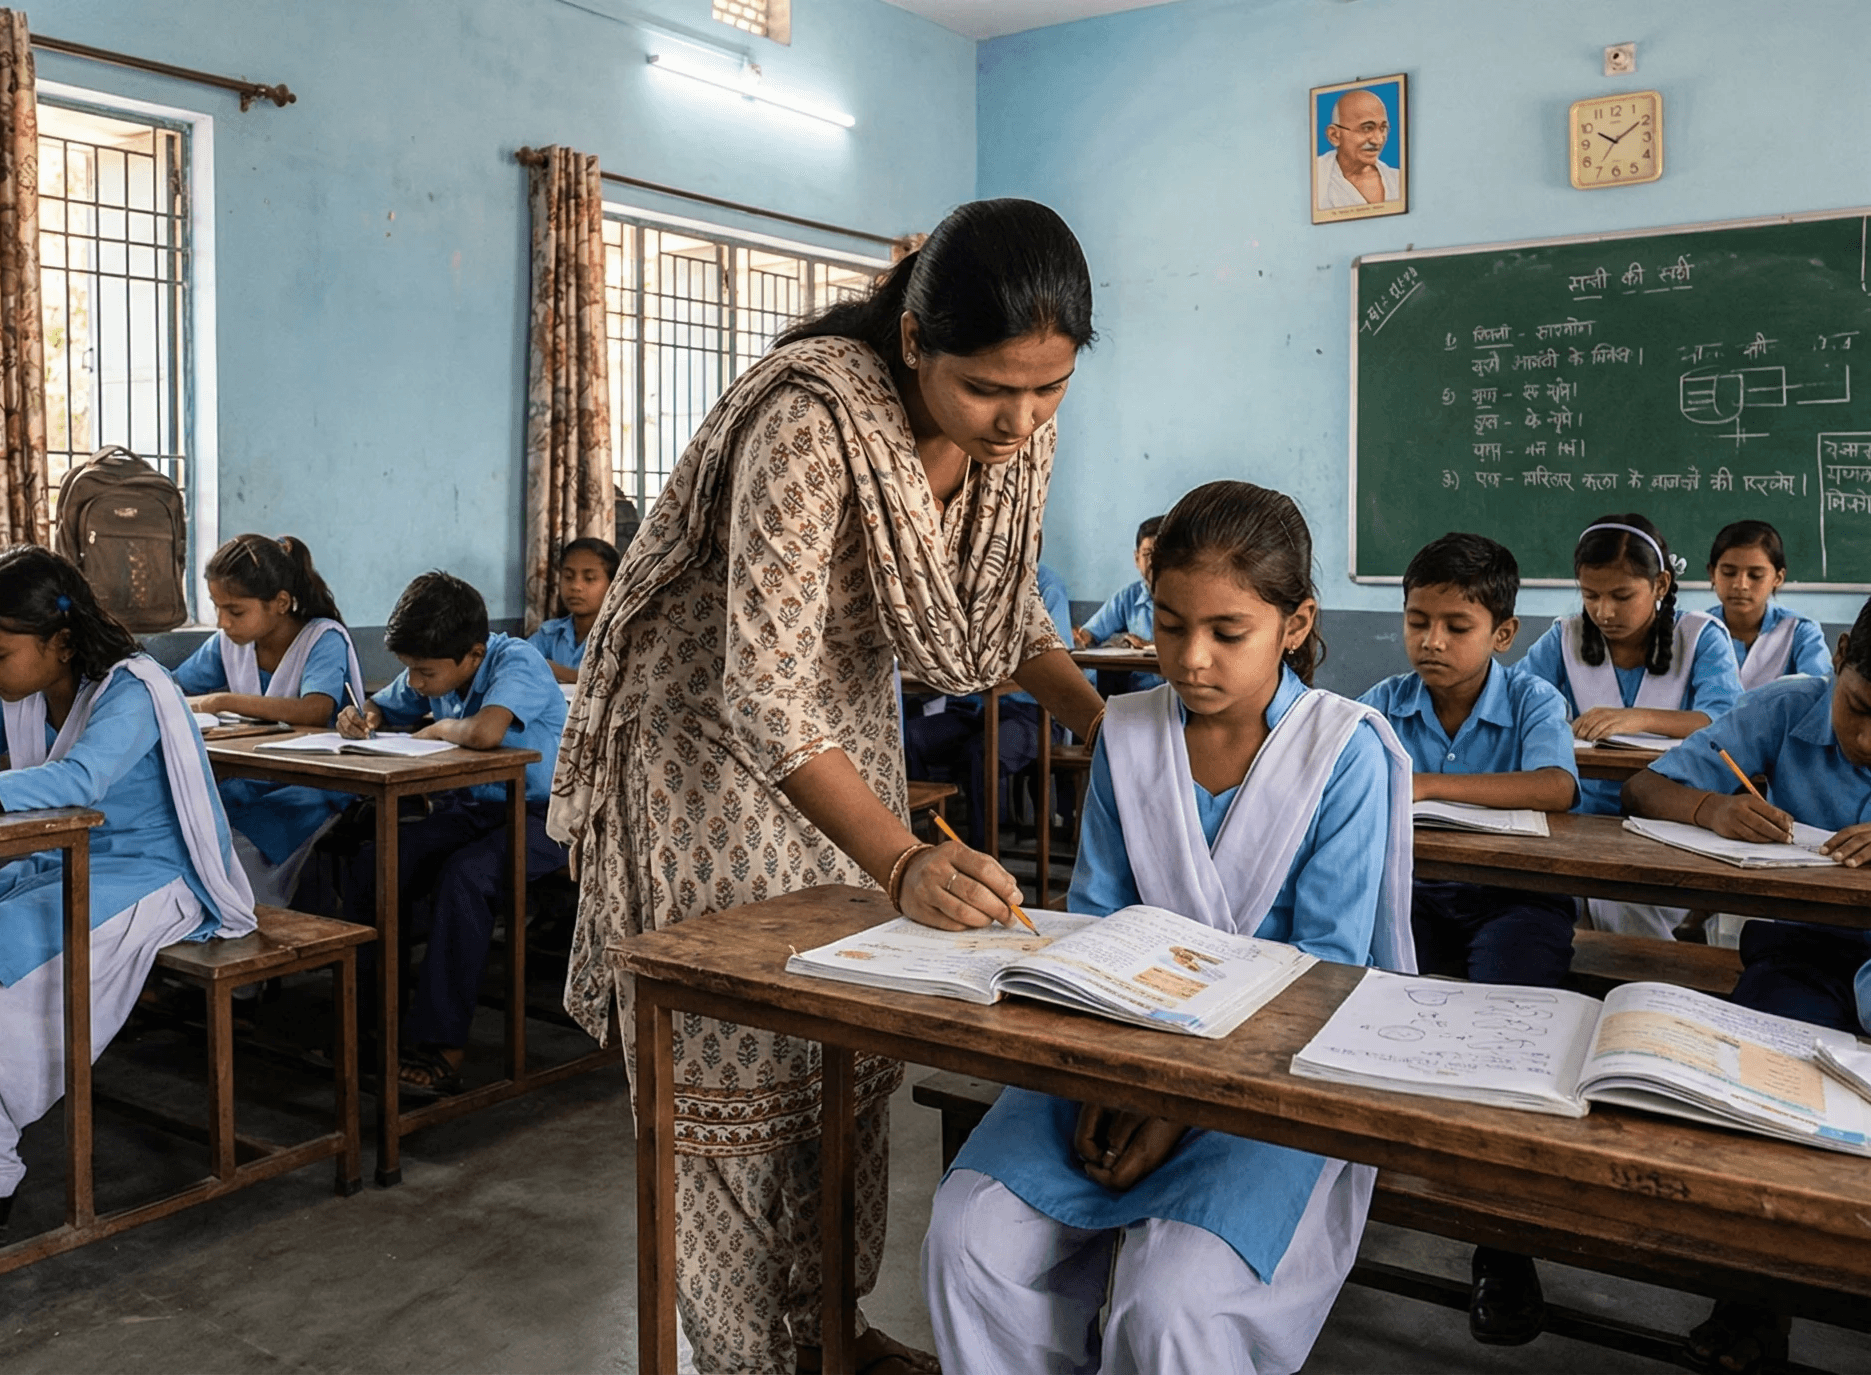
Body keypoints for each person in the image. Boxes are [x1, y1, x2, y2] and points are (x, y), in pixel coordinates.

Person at [549, 199, 1108, 1374]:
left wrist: (1117, 729)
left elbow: (1000, 614)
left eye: (1048, 389)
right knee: (740, 1052)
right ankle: (748, 1351)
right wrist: (900, 858)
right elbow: (759, 692)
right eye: (989, 390)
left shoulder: (1013, 434)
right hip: (702, 755)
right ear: (913, 341)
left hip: (834, 742)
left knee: (844, 1045)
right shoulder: (809, 419)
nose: (1018, 420)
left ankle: (826, 1332)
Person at [923, 480, 1414, 1375]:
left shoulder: (1345, 753)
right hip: (1113, 1055)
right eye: (1170, 622)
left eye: (1228, 632)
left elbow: (1327, 972)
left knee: (1172, 1301)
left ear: (1295, 623)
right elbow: (1102, 932)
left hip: (1271, 1083)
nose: (1189, 658)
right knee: (968, 1237)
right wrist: (1123, 1078)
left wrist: (1175, 1101)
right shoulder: (1129, 735)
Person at [1622, 596, 1871, 1375]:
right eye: (1858, 708)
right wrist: (1710, 806)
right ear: (1836, 658)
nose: (1866, 741)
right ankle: (1754, 1302)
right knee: (1756, 1103)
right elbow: (1642, 789)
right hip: (1796, 955)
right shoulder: (1785, 705)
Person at [1357, 532, 1577, 1346]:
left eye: (1455, 623)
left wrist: (1431, 783)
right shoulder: (1382, 700)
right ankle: (1338, 1203)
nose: (1431, 641)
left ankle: (1503, 1248)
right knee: (1374, 1016)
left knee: (1499, 1044)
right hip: (1414, 899)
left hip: (1516, 903)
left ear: (1503, 633)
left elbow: (1554, 784)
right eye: (1417, 619)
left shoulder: (1533, 701)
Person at [0, 545, 257, 1222]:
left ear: (60, 642)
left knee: (10, 941)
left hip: (154, 874)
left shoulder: (134, 688)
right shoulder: (32, 692)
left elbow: (79, 781)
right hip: (72, 857)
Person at [330, 572, 568, 1096]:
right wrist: (362, 716)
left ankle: (442, 1047)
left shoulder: (517, 661)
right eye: (409, 670)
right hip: (479, 811)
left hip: (549, 818)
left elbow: (484, 733)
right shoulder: (433, 664)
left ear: (473, 654)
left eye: (424, 673)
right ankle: (364, 1024)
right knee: (381, 859)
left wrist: (438, 729)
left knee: (467, 876)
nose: (415, 683)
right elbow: (384, 704)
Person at [1517, 514, 1740, 937]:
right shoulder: (1565, 637)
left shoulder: (1700, 637)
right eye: (1590, 595)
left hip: (1672, 816)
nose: (1604, 611)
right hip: (1579, 816)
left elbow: (1724, 720)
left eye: (1622, 595)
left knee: (1627, 915)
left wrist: (1638, 719)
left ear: (1659, 585)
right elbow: (1518, 703)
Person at [173, 533, 367, 904]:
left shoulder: (322, 639)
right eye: (217, 608)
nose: (223, 622)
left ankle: (253, 924)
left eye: (235, 611)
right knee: (197, 816)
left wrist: (223, 701)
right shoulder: (229, 644)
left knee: (245, 839)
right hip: (256, 776)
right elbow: (175, 686)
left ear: (280, 603)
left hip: (317, 783)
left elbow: (315, 710)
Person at [1705, 520, 1830, 690]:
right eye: (1729, 573)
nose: (1741, 584)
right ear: (1712, 573)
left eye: (1755, 575)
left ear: (1778, 578)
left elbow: (1819, 693)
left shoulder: (1799, 632)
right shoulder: (1696, 629)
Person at [1074, 515, 1164, 691]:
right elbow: (1091, 633)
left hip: (1178, 696)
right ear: (1137, 559)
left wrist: (1147, 646)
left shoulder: (1189, 598)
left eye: (1162, 554)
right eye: (1148, 555)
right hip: (1136, 695)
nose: (1155, 562)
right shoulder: (1128, 596)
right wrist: (1079, 637)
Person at [529, 537, 619, 684]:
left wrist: (551, 668)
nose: (576, 586)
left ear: (613, 586)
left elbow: (613, 683)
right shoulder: (550, 633)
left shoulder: (618, 637)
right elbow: (518, 660)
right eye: (568, 577)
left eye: (589, 578)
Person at [1315, 88, 1401, 210]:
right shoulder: (1315, 177)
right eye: (1367, 128)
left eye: (1383, 128)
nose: (1378, 140)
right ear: (1334, 135)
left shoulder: (1398, 180)